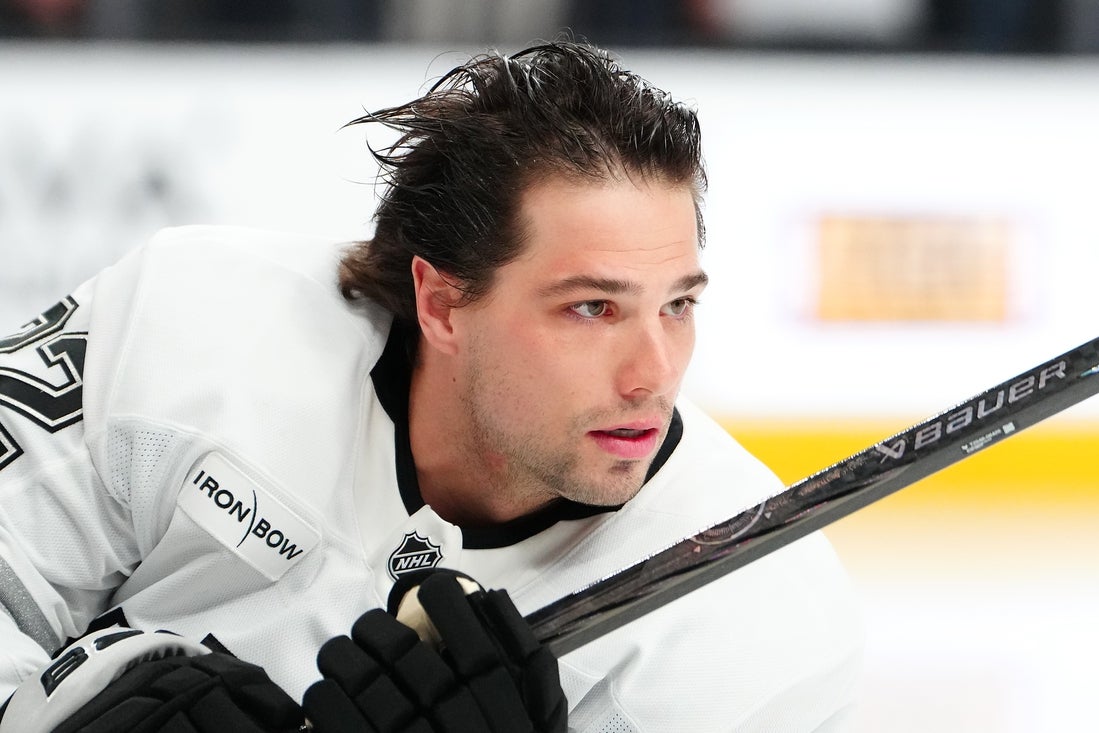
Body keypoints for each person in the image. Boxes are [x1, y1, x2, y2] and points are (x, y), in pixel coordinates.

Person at [0, 41, 862, 731]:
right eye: (591, 308)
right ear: (442, 304)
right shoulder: (195, 321)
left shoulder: (758, 619)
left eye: (676, 305)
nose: (653, 373)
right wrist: (78, 699)